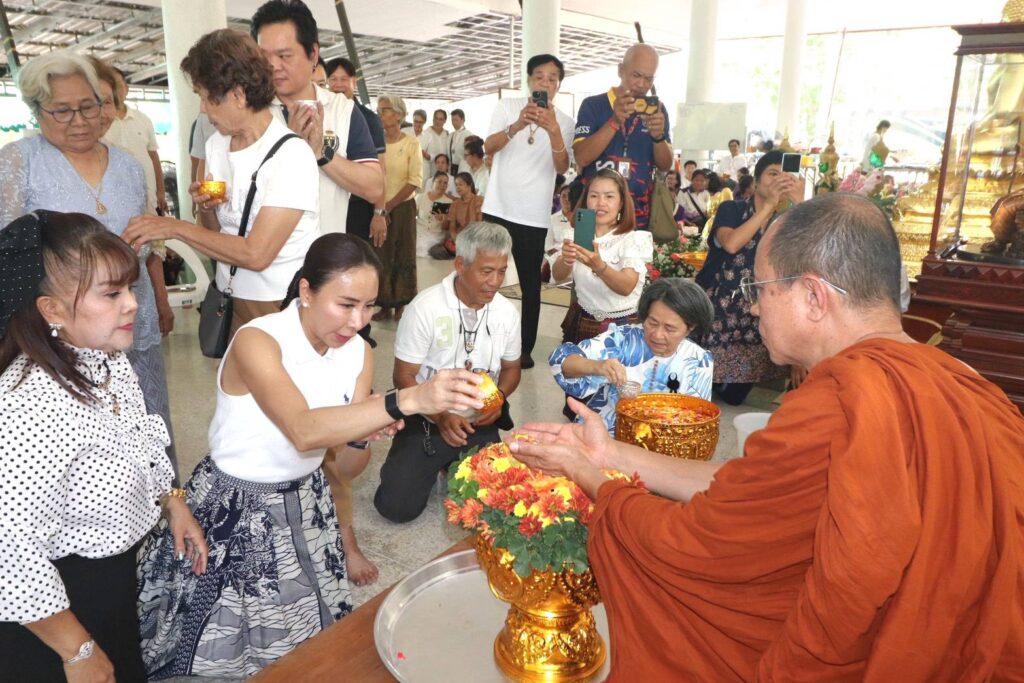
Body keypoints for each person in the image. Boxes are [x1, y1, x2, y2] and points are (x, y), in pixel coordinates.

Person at [510, 192, 1024, 681]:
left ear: (813, 296)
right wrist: (609, 452)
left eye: (759, 290)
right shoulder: (975, 389)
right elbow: (749, 485)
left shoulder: (838, 406)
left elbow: (694, 547)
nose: (753, 309)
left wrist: (592, 478)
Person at [136, 233, 486, 677]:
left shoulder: (358, 353)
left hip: (307, 499)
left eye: (369, 306)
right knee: (225, 640)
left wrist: (361, 435)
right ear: (306, 291)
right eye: (346, 304)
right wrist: (407, 399)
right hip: (237, 505)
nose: (358, 321)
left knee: (308, 638)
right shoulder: (258, 340)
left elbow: (345, 466)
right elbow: (302, 431)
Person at [0, 211, 206, 682]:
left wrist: (173, 501)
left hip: (108, 582)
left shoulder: (104, 360)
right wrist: (77, 651)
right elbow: (8, 550)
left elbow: (139, 437)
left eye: (130, 288)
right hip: (52, 611)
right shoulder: (27, 406)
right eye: (111, 294)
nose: (132, 304)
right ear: (51, 309)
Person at [0, 49, 179, 476]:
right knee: (78, 450)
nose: (79, 121)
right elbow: (8, 258)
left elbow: (146, 244)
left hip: (131, 318)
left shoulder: (129, 166)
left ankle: (158, 504)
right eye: (62, 111)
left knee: (145, 425)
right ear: (37, 110)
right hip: (62, 332)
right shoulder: (19, 161)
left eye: (89, 106)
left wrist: (158, 297)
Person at [122, 29, 320, 338]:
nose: (202, 108)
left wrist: (173, 227)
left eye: (206, 98)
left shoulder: (291, 155)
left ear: (238, 95)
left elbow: (257, 254)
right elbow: (214, 237)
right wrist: (207, 209)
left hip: (279, 302)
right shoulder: (216, 145)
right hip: (230, 296)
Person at [375, 222, 523, 523]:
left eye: (501, 271)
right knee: (396, 508)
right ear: (460, 265)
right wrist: (442, 417)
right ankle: (431, 461)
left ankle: (451, 463)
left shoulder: (506, 312)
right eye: (486, 271)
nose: (495, 282)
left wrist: (497, 399)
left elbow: (511, 368)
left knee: (500, 506)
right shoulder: (425, 308)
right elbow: (403, 377)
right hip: (426, 419)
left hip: (478, 420)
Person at [251, 0, 383, 235]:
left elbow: (374, 188)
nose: (273, 66)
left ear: (313, 53)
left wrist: (321, 152)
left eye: (284, 55)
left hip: (324, 252)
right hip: (265, 254)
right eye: (264, 56)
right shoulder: (251, 111)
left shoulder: (342, 110)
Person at [482, 53, 574, 369]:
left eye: (552, 78)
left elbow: (561, 167)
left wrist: (554, 131)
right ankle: (480, 338)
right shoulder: (508, 107)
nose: (545, 83)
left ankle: (524, 349)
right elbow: (488, 146)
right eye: (539, 77)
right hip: (497, 207)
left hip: (532, 215)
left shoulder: (565, 122)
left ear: (559, 85)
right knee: (485, 275)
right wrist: (518, 124)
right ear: (529, 80)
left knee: (530, 285)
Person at [695, 151, 799, 406]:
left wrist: (800, 205)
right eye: (772, 174)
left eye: (783, 176)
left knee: (733, 398)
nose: (778, 181)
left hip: (757, 310)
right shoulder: (732, 208)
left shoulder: (787, 221)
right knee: (700, 384)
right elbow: (731, 244)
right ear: (756, 180)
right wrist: (767, 208)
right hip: (720, 305)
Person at [549, 277, 713, 434]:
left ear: (690, 328)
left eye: (670, 328)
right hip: (605, 432)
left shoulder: (699, 361)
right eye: (652, 322)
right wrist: (596, 366)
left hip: (663, 442)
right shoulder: (624, 339)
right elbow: (562, 360)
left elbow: (697, 421)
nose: (657, 335)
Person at [573, 44, 673, 231]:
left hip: (638, 214)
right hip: (592, 212)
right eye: (636, 75)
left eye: (648, 78)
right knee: (584, 249)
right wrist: (614, 121)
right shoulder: (593, 105)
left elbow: (665, 165)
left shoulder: (657, 110)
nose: (641, 84)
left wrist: (658, 137)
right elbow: (581, 157)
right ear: (621, 70)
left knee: (634, 252)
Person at [552, 169, 653, 344]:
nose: (601, 203)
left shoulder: (632, 239)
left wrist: (599, 267)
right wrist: (566, 260)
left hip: (623, 326)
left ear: (621, 203)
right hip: (582, 320)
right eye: (594, 196)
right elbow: (558, 275)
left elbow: (626, 287)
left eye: (609, 196)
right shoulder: (574, 234)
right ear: (586, 200)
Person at [324, 56, 388, 247]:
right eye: (333, 79)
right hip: (330, 203)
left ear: (354, 81)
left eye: (344, 79)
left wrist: (379, 213)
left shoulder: (369, 119)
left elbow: (381, 170)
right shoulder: (323, 115)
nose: (338, 85)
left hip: (358, 206)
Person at [372, 94, 423, 321]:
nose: (380, 114)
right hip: (378, 206)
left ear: (399, 115)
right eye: (379, 110)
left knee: (404, 252)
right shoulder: (376, 142)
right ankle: (384, 304)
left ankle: (403, 302)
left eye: (384, 110)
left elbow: (414, 181)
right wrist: (379, 208)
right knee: (381, 253)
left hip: (402, 207)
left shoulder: (411, 143)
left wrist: (388, 207)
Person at [105, 67, 168, 217]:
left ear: (126, 89)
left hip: (147, 196)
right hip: (114, 198)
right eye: (110, 86)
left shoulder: (143, 119)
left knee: (152, 229)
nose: (115, 91)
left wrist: (161, 190)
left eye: (118, 85)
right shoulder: (100, 123)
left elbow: (153, 156)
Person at [439, 172, 483, 251]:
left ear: (469, 185)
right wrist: (456, 239)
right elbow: (452, 227)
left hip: (476, 239)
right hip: (460, 239)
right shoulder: (455, 204)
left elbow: (480, 225)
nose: (458, 187)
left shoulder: (479, 200)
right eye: (456, 185)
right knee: (437, 250)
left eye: (460, 184)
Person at [416, 171, 452, 258]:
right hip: (419, 232)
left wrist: (443, 220)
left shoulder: (449, 202)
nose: (442, 185)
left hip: (436, 236)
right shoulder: (420, 197)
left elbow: (447, 227)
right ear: (433, 182)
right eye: (439, 182)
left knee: (427, 248)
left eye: (445, 183)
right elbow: (412, 217)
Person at [420, 108, 449, 182]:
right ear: (433, 119)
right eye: (436, 118)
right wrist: (428, 156)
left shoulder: (447, 134)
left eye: (441, 119)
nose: (438, 121)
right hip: (429, 173)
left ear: (445, 121)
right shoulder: (425, 133)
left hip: (444, 174)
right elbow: (421, 152)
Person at [448, 108, 473, 174]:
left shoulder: (469, 135)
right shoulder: (450, 135)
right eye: (452, 120)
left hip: (464, 168)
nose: (454, 123)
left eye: (456, 120)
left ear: (463, 120)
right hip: (451, 169)